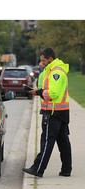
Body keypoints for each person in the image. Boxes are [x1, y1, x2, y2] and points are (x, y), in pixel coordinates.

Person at [23, 47, 72, 177]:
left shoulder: (56, 73)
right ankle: (66, 170)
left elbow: (53, 93)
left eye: (43, 60)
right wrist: (38, 90)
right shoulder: (52, 70)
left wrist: (38, 92)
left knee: (47, 141)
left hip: (53, 111)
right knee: (63, 141)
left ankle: (37, 169)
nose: (41, 62)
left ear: (50, 59)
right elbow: (45, 86)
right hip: (60, 111)